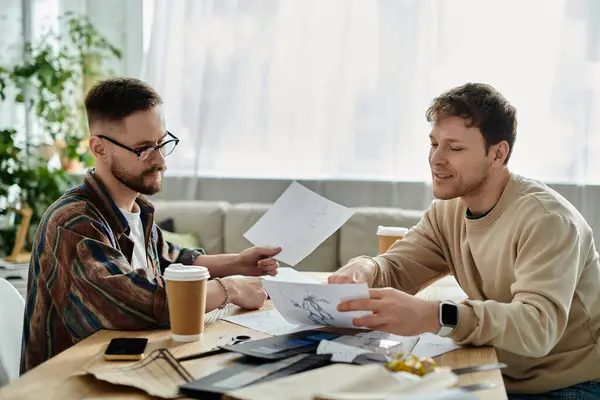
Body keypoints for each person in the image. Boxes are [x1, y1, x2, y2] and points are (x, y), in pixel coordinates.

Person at [329, 83, 600, 398]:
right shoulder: (448, 211)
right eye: (433, 144)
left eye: (454, 148)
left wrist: (435, 316)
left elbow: (537, 327)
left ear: (498, 153)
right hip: (497, 371)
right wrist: (365, 267)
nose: (436, 159)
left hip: (570, 384)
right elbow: (399, 267)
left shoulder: (547, 221)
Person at [20, 77, 281, 373]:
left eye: (162, 143)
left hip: (124, 371)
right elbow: (138, 303)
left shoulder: (136, 210)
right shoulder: (74, 223)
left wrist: (238, 263)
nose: (160, 161)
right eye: (144, 148)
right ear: (100, 147)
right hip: (68, 385)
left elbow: (171, 260)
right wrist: (229, 288)